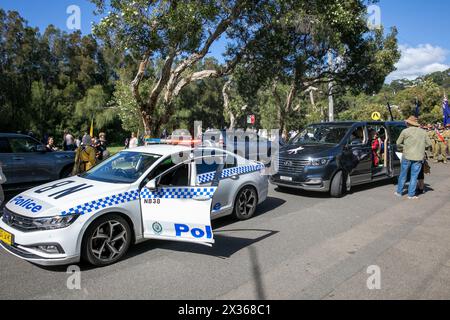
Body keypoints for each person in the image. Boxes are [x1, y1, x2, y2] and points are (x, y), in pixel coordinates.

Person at [395, 116, 432, 200]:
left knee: (403, 174)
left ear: (408, 123)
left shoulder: (405, 131)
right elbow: (429, 144)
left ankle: (399, 192)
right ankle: (411, 195)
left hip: (407, 156)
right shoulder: (423, 132)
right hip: (418, 157)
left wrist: (404, 147)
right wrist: (421, 147)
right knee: (414, 177)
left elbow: (398, 143)